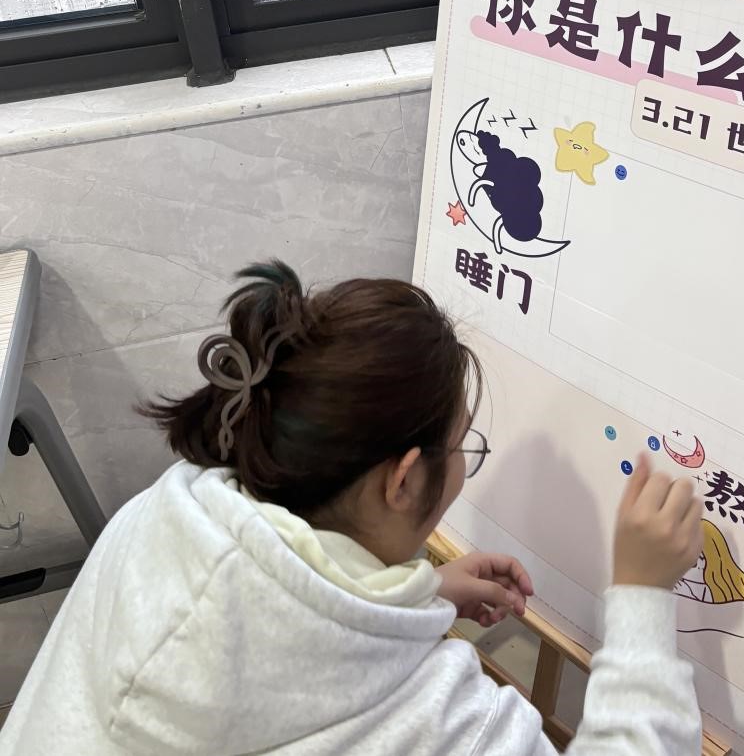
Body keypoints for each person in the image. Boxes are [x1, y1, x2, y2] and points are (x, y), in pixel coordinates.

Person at [0, 261, 705, 755]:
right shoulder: (436, 724)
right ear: (403, 481)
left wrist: (414, 598)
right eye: (463, 445)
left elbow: (276, 635)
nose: (463, 464)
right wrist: (642, 595)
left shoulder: (166, 513)